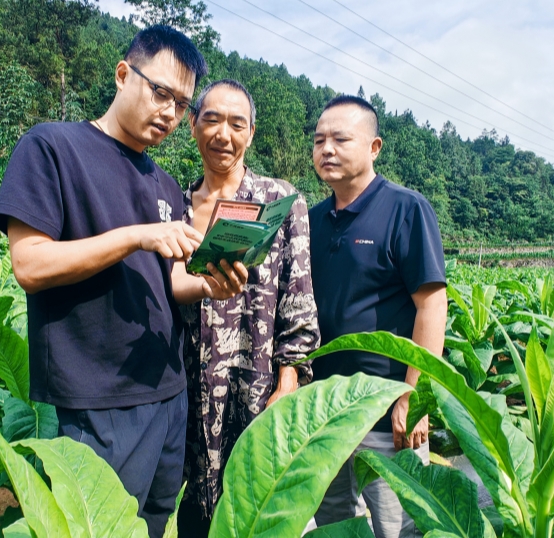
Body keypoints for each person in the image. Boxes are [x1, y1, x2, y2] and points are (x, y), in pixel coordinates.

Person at [0, 26, 248, 538]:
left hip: (168, 392)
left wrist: (209, 286)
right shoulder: (52, 147)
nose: (171, 114)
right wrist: (135, 235)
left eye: (182, 104)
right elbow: (30, 266)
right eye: (161, 93)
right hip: (97, 398)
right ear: (124, 74)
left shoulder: (165, 183)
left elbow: (169, 282)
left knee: (151, 525)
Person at [177, 80, 320, 536]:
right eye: (212, 119)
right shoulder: (173, 206)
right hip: (185, 393)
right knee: (192, 515)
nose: (224, 134)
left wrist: (289, 379)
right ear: (193, 125)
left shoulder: (281, 202)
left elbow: (298, 298)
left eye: (237, 123)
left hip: (253, 389)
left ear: (251, 133)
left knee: (255, 509)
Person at [309, 95, 448, 538]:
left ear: (374, 147)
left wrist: (414, 395)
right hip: (326, 410)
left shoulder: (406, 210)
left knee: (399, 525)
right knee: (335, 522)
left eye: (340, 139)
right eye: (318, 140)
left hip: (387, 411)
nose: (327, 149)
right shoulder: (311, 220)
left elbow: (431, 304)